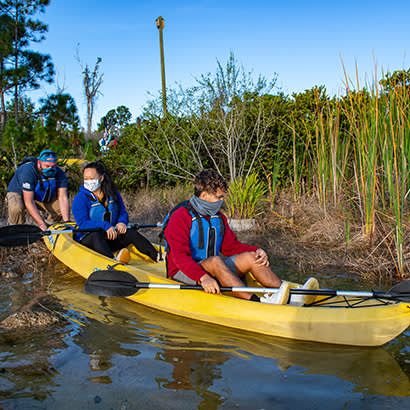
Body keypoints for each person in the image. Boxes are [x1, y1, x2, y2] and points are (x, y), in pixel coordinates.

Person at [163, 169, 319, 305]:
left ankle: (290, 297)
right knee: (216, 261)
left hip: (211, 268)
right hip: (183, 272)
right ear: (204, 195)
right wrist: (202, 278)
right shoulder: (181, 216)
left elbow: (231, 247)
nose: (222, 202)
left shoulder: (219, 218)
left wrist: (256, 250)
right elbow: (179, 257)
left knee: (252, 257)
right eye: (219, 197)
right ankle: (254, 302)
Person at [72, 160, 157, 264]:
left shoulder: (112, 194)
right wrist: (105, 226)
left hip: (110, 236)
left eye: (91, 178)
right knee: (96, 236)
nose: (88, 181)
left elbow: (122, 212)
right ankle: (112, 262)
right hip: (91, 239)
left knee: (131, 233)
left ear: (101, 178)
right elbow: (82, 223)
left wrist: (122, 222)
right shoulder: (80, 198)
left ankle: (156, 257)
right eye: (85, 179)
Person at [6, 149, 70, 231]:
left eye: (53, 166)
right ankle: (14, 229)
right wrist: (40, 223)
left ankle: (49, 229)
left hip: (40, 193)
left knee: (58, 209)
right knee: (16, 208)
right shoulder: (28, 171)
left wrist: (66, 222)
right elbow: (28, 201)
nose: (50, 169)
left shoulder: (59, 172)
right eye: (47, 166)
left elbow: (63, 198)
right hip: (19, 193)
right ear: (39, 162)